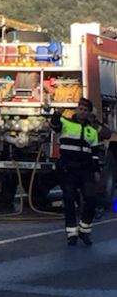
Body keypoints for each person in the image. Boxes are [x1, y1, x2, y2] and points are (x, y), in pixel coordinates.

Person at [50, 97, 102, 246]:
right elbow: (54, 126)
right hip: (68, 168)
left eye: (85, 110)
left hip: (86, 169)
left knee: (91, 199)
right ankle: (72, 234)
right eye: (80, 109)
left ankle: (85, 231)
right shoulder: (66, 123)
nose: (82, 112)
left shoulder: (91, 131)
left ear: (89, 113)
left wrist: (96, 171)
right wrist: (57, 114)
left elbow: (95, 153)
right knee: (69, 200)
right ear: (76, 110)